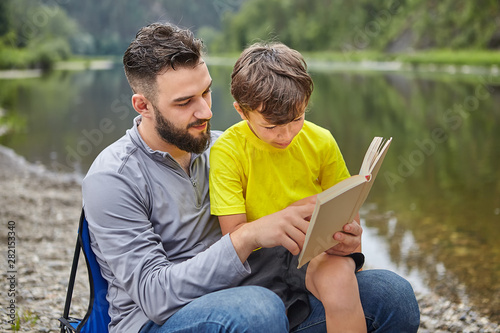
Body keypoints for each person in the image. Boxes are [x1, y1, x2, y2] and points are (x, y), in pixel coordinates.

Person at [82, 21, 420, 333]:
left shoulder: (228, 147)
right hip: (164, 321)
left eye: (206, 92)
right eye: (185, 102)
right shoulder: (113, 178)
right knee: (258, 311)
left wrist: (338, 239)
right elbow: (154, 297)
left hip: (264, 299)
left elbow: (285, 243)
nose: (206, 112)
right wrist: (247, 237)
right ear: (142, 105)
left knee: (393, 296)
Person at [209, 42, 366, 332]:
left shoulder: (321, 141)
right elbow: (233, 239)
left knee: (341, 281)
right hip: (258, 262)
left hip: (311, 251)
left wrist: (349, 237)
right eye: (271, 126)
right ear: (242, 112)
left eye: (297, 118)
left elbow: (350, 218)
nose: (286, 134)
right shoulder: (228, 151)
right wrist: (285, 215)